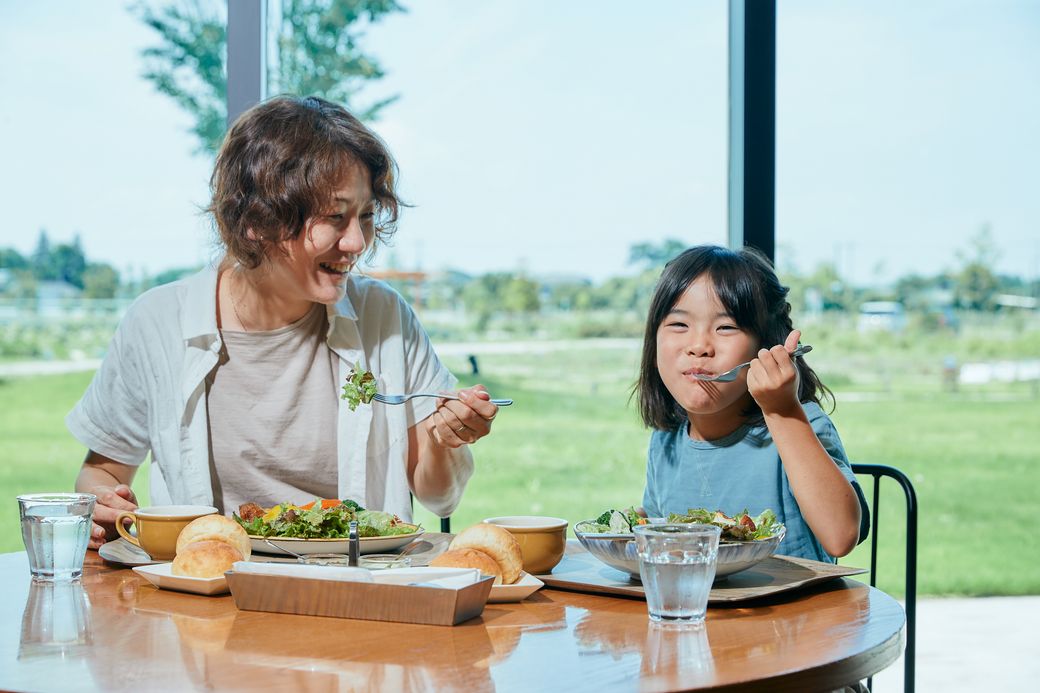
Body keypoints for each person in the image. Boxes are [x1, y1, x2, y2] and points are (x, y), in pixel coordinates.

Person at [69, 95, 499, 550]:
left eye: (366, 215)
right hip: (209, 595)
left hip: (357, 594)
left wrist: (445, 436)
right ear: (259, 221)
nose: (356, 241)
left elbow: (440, 495)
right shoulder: (157, 323)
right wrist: (99, 501)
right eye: (335, 217)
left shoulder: (383, 317)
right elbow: (101, 471)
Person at [635, 245, 867, 561]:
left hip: (794, 611)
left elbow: (841, 537)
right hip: (700, 609)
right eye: (679, 325)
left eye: (726, 327)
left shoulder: (799, 422)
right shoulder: (667, 439)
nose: (699, 346)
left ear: (766, 345)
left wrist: (782, 411)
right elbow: (656, 536)